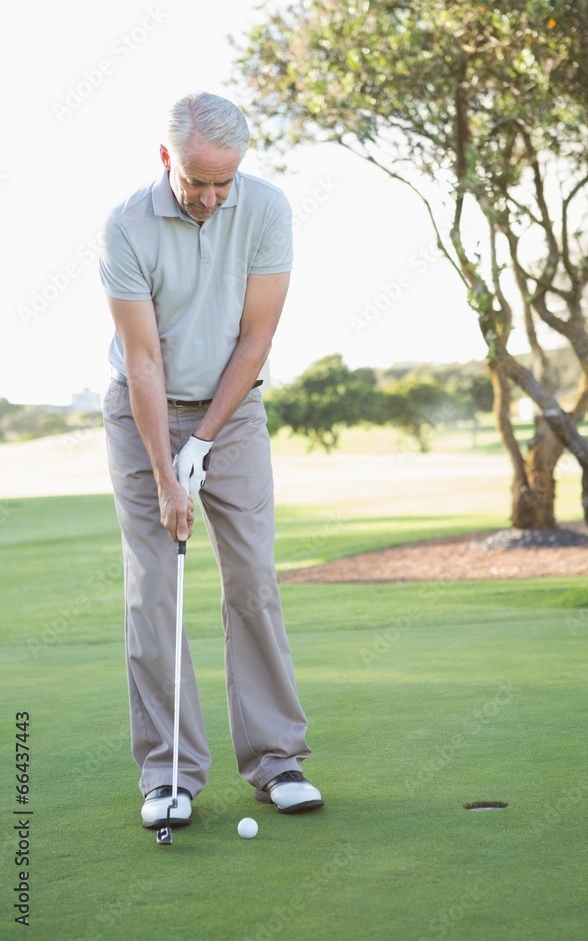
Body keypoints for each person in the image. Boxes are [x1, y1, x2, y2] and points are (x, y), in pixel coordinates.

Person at [100, 91, 323, 829]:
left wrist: (203, 443)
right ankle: (168, 773)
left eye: (224, 182)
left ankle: (276, 760)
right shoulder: (126, 226)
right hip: (144, 411)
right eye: (199, 182)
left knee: (253, 573)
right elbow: (142, 361)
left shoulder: (264, 209)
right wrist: (168, 474)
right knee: (153, 591)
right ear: (167, 159)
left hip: (234, 406)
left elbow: (255, 340)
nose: (212, 197)